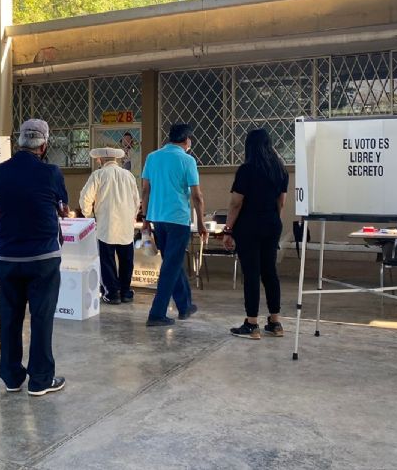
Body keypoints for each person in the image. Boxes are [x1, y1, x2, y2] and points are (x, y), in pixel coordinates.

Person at [0, 119, 68, 396]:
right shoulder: (51, 172)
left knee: (9, 317)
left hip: (8, 257)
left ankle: (12, 377)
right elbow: (63, 209)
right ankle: (40, 379)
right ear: (44, 144)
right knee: (41, 316)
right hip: (43, 258)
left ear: (19, 142)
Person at [221, 129, 289, 339]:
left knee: (251, 273)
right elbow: (281, 202)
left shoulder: (246, 169)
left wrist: (228, 229)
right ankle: (275, 322)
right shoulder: (280, 169)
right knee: (270, 272)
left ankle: (252, 324)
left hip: (249, 226)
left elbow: (236, 203)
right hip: (272, 223)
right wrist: (273, 220)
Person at [141, 123, 206, 326]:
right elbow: (197, 196)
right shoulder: (187, 160)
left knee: (172, 262)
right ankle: (156, 313)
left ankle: (185, 306)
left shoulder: (152, 157)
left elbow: (145, 191)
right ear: (186, 140)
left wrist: (145, 219)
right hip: (178, 220)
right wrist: (202, 224)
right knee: (170, 266)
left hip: (158, 219)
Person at [79, 147, 141, 304]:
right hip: (126, 226)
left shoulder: (98, 175)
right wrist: (131, 216)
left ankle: (112, 293)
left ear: (100, 160)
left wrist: (89, 217)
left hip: (106, 224)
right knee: (126, 259)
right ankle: (126, 292)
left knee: (107, 260)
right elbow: (136, 200)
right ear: (116, 160)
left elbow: (85, 198)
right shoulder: (128, 176)